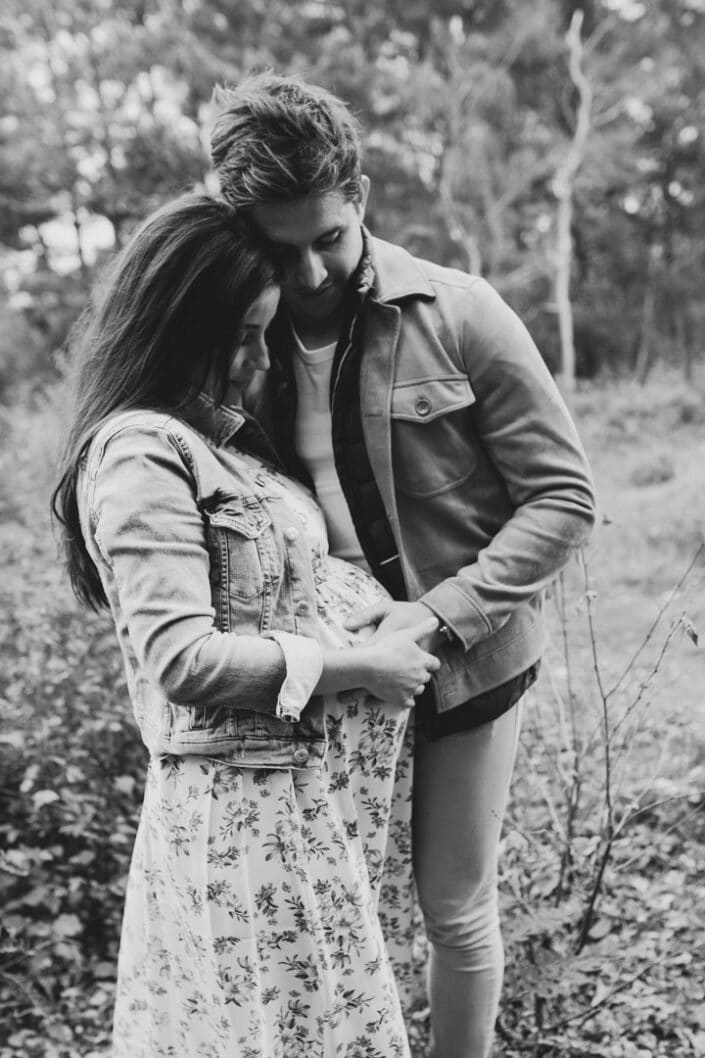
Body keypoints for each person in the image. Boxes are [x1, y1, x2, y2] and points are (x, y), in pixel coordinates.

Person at [209, 71, 597, 1058]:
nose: (307, 278)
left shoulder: (463, 312)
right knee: (317, 909)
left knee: (454, 906)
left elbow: (565, 498)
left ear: (364, 197)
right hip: (320, 676)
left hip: (469, 655)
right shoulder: (217, 349)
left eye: (328, 240)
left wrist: (436, 615)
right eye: (275, 247)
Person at [51, 192, 442, 1058]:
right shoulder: (139, 453)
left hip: (294, 808)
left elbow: (277, 587)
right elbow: (181, 659)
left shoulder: (215, 439)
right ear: (180, 327)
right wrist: (358, 669)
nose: (254, 359)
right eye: (241, 335)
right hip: (242, 820)